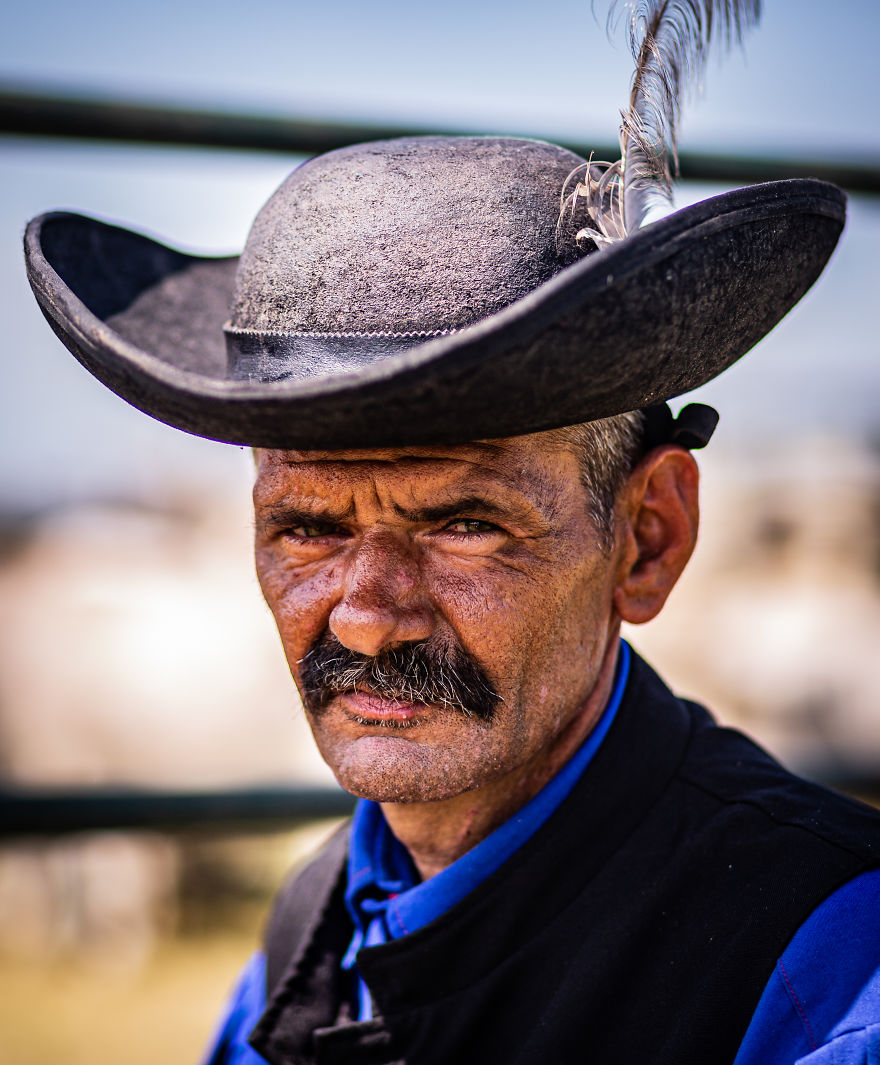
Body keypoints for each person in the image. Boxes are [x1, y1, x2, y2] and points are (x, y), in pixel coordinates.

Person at [22, 6, 880, 1063]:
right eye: (304, 528)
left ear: (646, 539)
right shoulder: (313, 922)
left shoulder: (827, 969)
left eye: (465, 524)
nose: (369, 616)